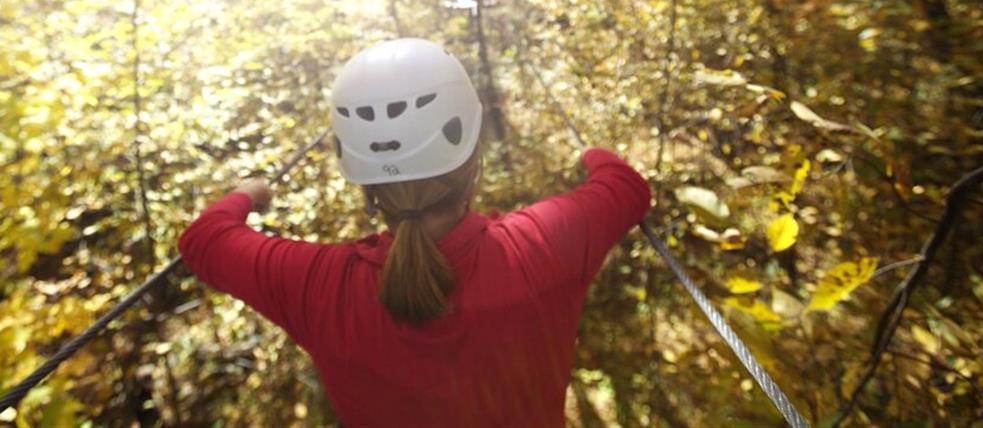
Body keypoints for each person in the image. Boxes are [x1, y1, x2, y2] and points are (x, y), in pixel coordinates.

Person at [179, 38, 652, 427]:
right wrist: (593, 155)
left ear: (362, 179)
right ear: (472, 160)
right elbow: (625, 186)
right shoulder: (541, 247)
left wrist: (249, 193)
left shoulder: (317, 286)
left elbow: (204, 239)